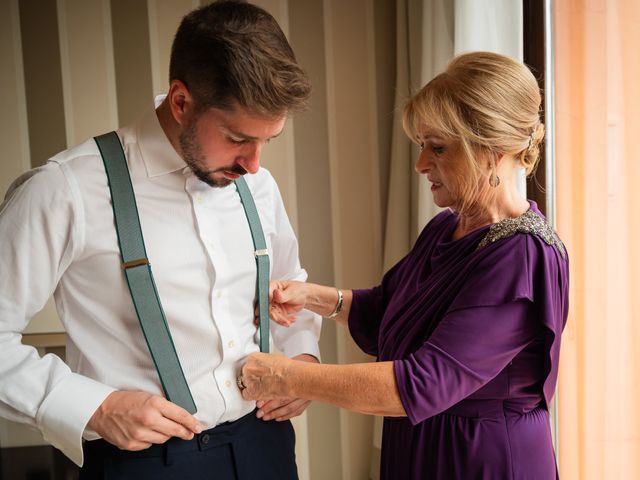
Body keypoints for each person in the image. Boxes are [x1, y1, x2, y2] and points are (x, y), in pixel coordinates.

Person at [0, 1, 321, 479]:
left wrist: (302, 360)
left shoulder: (256, 185)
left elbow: (288, 286)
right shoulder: (65, 189)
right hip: (146, 464)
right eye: (237, 138)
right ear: (180, 101)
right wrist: (94, 408)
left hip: (266, 448)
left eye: (265, 142)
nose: (253, 163)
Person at [239, 51, 569, 479]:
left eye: (438, 148)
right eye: (421, 146)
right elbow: (386, 312)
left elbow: (423, 382)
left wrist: (288, 376)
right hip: (423, 449)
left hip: (481, 462)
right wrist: (311, 297)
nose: (421, 164)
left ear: (492, 150)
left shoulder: (522, 258)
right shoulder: (446, 227)